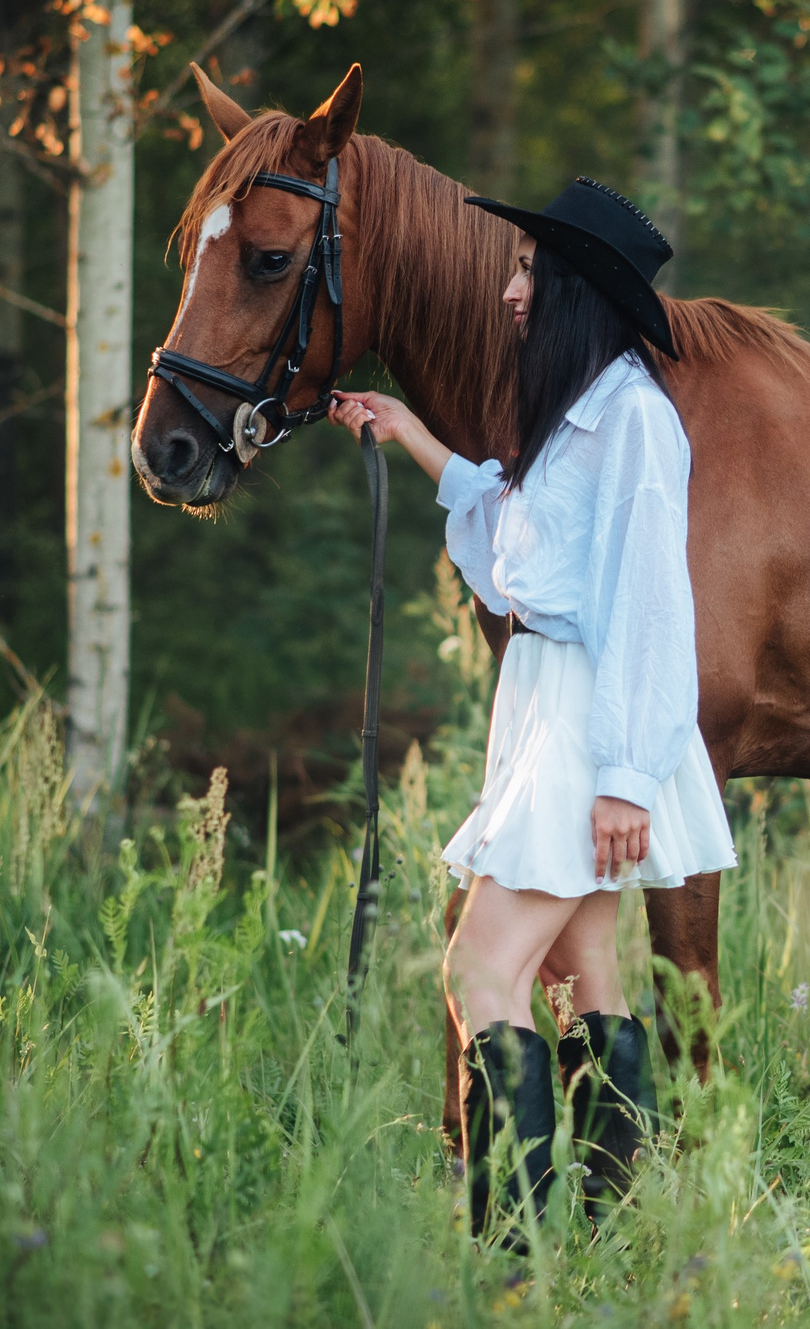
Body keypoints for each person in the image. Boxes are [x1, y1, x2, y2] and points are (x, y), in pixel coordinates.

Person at [326, 175, 737, 1242]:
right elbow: (517, 535)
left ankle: (513, 1245)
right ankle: (606, 1225)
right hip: (545, 700)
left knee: (479, 967)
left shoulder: (634, 420)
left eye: (526, 272)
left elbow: (652, 601)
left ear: (573, 291)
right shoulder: (577, 414)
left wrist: (626, 777)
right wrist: (410, 428)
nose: (510, 290)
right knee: (582, 964)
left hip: (588, 716)